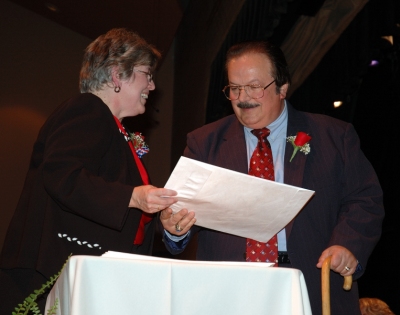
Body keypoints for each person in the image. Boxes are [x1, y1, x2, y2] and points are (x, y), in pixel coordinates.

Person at [160, 40, 384, 314]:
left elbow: (365, 200)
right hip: (228, 295)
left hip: (310, 289)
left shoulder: (334, 136)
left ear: (282, 87)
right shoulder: (204, 143)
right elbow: (178, 213)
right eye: (234, 88)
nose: (243, 98)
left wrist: (346, 245)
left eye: (255, 87)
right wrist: (174, 228)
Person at [0, 28, 178, 314]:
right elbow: (62, 175)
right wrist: (132, 196)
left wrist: (163, 221)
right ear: (118, 74)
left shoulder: (119, 131)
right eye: (147, 73)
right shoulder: (87, 109)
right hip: (51, 274)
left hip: (92, 274)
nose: (152, 86)